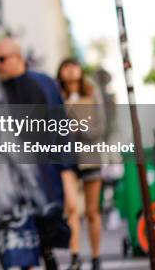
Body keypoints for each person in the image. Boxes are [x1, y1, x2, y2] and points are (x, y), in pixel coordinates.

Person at [0, 37, 69, 270]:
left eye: (2, 59)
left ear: (18, 58)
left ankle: (47, 254)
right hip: (8, 179)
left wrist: (66, 167)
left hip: (42, 176)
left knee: (47, 230)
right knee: (15, 243)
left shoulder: (43, 84)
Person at [57, 58, 106, 270]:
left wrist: (81, 127)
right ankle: (75, 256)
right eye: (66, 67)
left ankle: (96, 257)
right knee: (71, 208)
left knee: (93, 211)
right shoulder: (57, 96)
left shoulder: (92, 93)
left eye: (74, 65)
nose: (70, 70)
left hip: (90, 158)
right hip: (66, 159)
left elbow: (100, 125)